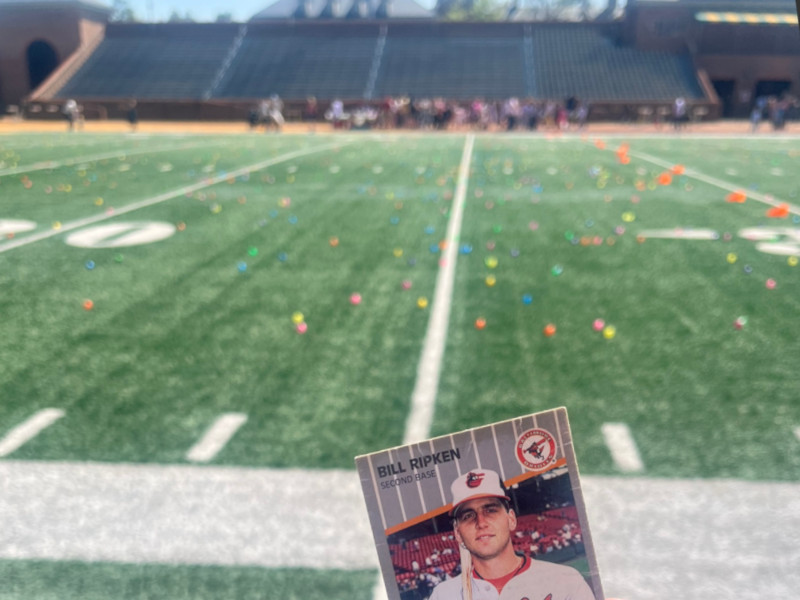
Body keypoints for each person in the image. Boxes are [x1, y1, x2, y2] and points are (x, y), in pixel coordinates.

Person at [429, 469, 596, 600]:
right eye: (468, 516)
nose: (481, 522)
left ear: (511, 520)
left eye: (490, 510)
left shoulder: (566, 580)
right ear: (458, 533)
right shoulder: (442, 596)